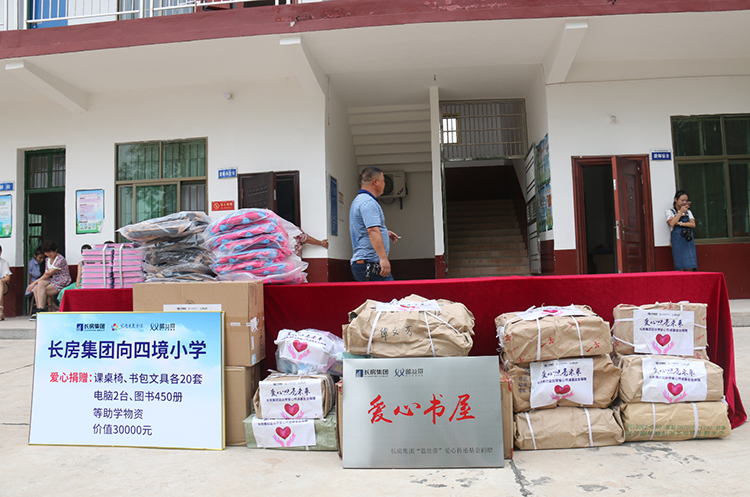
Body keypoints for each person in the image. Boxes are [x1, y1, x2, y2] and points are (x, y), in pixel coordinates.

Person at [349, 167, 399, 281]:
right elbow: (372, 231)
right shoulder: (368, 202)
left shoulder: (359, 200)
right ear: (375, 182)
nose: (384, 184)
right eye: (383, 180)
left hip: (367, 263)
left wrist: (384, 233)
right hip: (371, 264)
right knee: (389, 292)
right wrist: (383, 259)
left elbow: (364, 228)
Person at [27, 240, 72, 319]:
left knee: (37, 289)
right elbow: (46, 274)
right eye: (46, 252)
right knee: (39, 286)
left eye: (50, 252)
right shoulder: (47, 260)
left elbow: (48, 274)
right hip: (52, 280)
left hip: (61, 281)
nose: (48, 254)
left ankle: (40, 310)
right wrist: (37, 283)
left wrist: (33, 283)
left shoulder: (60, 259)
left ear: (55, 250)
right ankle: (40, 309)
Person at [666, 190, 697, 271]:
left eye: (686, 201)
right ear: (676, 200)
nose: (684, 202)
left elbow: (693, 224)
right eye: (682, 200)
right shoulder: (670, 212)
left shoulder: (688, 212)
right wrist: (681, 212)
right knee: (680, 264)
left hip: (688, 240)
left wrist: (680, 223)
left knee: (690, 264)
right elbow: (672, 223)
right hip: (677, 241)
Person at [0, 245, 12, 321]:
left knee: (0, 282)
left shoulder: (4, 263)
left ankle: (0, 310)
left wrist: (1, 280)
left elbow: (8, 278)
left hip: (3, 286)